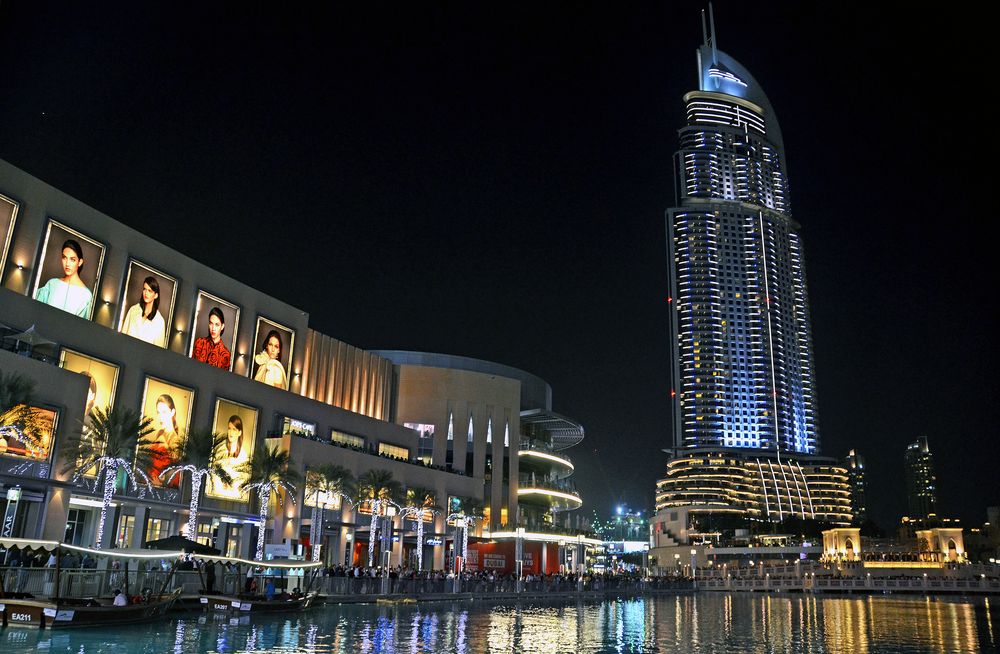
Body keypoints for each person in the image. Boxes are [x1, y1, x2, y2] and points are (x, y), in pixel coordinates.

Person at [34, 239, 93, 318]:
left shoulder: (86, 296)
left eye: (72, 259)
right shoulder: (52, 284)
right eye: (64, 258)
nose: (67, 264)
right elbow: (35, 310)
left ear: (80, 262)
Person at [119, 276, 166, 347]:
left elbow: (158, 350)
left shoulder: (160, 322)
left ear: (156, 295)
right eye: (144, 289)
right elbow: (122, 336)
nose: (146, 293)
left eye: (150, 291)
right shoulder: (133, 310)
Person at [147, 394, 181, 486]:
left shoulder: (175, 440)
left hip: (160, 485)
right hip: (150, 480)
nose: (161, 416)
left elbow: (175, 472)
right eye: (158, 412)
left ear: (172, 412)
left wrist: (162, 482)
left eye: (164, 412)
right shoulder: (160, 433)